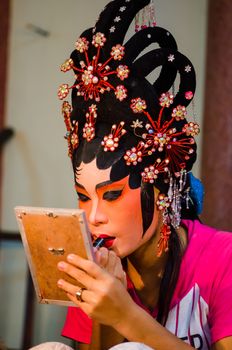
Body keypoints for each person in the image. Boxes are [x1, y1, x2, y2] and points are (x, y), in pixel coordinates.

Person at [55, 0, 232, 349]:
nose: (93, 218)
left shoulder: (224, 258)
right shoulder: (95, 263)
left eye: (112, 194)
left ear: (161, 189)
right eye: (83, 195)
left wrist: (127, 317)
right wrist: (106, 309)